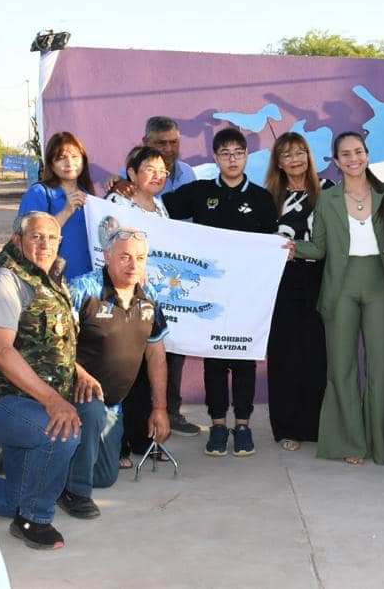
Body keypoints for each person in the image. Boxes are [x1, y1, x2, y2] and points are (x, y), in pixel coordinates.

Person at [0, 211, 81, 550]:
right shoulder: (3, 277)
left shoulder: (45, 274)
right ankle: (34, 519)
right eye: (35, 236)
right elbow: (1, 351)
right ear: (17, 239)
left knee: (13, 498)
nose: (44, 244)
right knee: (62, 432)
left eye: (52, 238)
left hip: (27, 397)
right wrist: (53, 400)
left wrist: (80, 374)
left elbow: (57, 339)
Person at [163, 127, 278, 457]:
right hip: (209, 297)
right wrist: (124, 189)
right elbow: (155, 210)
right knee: (214, 362)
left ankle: (242, 426)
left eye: (238, 153)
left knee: (243, 360)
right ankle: (217, 426)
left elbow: (270, 244)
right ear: (215, 158)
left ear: (245, 156)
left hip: (246, 297)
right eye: (225, 153)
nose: (232, 159)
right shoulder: (198, 192)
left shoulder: (261, 198)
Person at [292, 131, 384, 466]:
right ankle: (350, 442)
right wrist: (292, 248)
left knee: (381, 368)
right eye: (345, 154)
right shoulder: (327, 199)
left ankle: (380, 442)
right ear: (336, 162)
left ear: (367, 154)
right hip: (340, 289)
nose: (353, 159)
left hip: (380, 286)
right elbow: (320, 247)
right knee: (341, 367)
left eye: (358, 152)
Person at [57, 228, 171, 519]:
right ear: (107, 257)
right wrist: (79, 373)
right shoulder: (83, 289)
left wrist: (159, 408)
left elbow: (156, 353)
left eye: (140, 258)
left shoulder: (150, 296)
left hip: (113, 403)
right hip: (72, 390)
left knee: (106, 477)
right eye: (125, 257)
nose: (133, 265)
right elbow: (56, 344)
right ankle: (75, 494)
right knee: (92, 411)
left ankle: (32, 459)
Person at [108, 117, 199, 435]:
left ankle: (167, 414)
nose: (169, 149)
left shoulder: (183, 178)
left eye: (174, 142)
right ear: (145, 143)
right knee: (130, 357)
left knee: (168, 354)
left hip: (165, 285)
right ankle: (124, 432)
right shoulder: (121, 191)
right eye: (161, 143)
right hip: (129, 289)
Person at [264, 132, 334, 451]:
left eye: (300, 153)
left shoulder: (329, 192)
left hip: (320, 281)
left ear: (309, 155)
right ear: (278, 162)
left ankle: (315, 425)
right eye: (287, 155)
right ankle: (287, 427)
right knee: (285, 356)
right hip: (281, 284)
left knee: (316, 357)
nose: (295, 160)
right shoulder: (267, 197)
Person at [18, 131, 96, 280]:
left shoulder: (88, 195)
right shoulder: (39, 193)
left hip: (87, 282)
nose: (69, 163)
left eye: (75, 157)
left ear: (83, 160)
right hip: (53, 282)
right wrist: (66, 211)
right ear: (51, 164)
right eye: (61, 158)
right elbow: (26, 239)